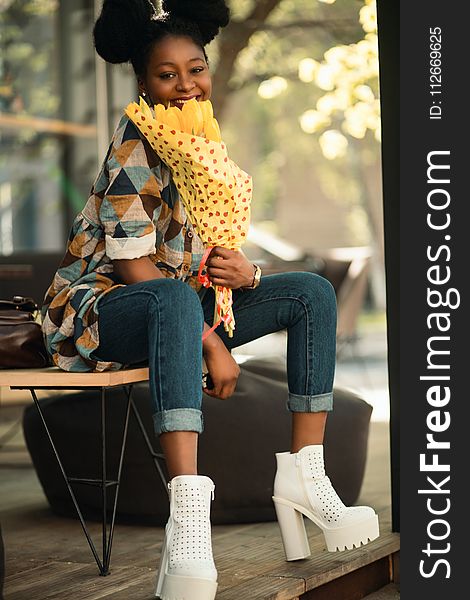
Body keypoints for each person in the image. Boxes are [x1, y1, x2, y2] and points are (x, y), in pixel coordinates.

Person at [41, 1, 379, 599]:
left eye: (194, 69)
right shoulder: (135, 144)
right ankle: (189, 520)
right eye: (166, 75)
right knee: (172, 299)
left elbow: (207, 257)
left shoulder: (200, 145)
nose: (184, 85)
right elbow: (130, 265)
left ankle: (305, 476)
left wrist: (247, 275)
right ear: (143, 83)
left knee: (310, 292)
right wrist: (210, 343)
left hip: (180, 304)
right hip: (100, 312)